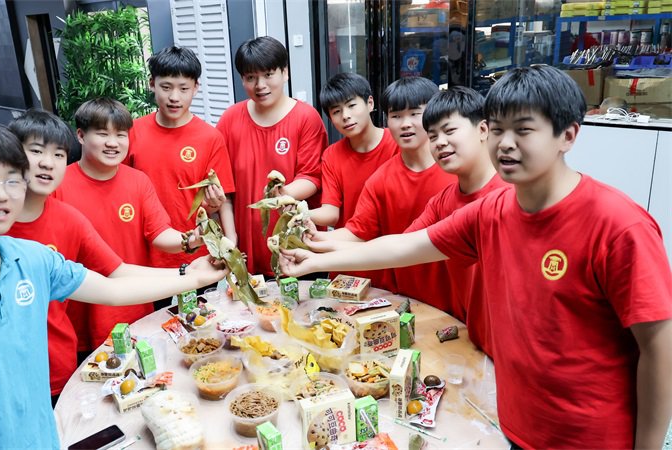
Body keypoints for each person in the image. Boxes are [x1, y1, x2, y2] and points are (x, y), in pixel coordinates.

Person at [280, 66, 672, 449]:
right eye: (498, 129)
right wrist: (312, 261)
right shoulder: (492, 211)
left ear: (567, 135)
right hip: (516, 423)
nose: (505, 143)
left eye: (523, 130)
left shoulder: (618, 225)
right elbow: (404, 246)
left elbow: (659, 348)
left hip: (590, 435)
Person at [0, 123, 226, 449]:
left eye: (13, 180)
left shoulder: (32, 259)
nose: (1, 194)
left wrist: (193, 277)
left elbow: (112, 288)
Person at [0, 109, 192, 402]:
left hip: (53, 367)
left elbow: (116, 276)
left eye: (58, 154)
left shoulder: (66, 221)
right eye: (36, 151)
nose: (47, 162)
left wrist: (191, 272)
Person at [53, 98, 200, 352]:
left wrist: (190, 240)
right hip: (81, 316)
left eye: (120, 135)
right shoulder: (58, 185)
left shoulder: (138, 181)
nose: (113, 143)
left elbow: (159, 233)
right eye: (102, 134)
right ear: (81, 135)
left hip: (135, 307)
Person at [307, 77, 454, 293]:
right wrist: (313, 239)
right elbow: (358, 231)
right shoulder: (379, 179)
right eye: (396, 116)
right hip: (401, 284)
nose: (405, 124)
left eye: (415, 114)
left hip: (454, 287)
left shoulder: (457, 168)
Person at [404, 86, 508, 356]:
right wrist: (318, 245)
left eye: (449, 131)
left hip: (513, 350)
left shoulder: (510, 197)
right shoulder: (443, 200)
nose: (439, 142)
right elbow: (401, 246)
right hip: (476, 339)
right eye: (433, 136)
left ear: (483, 129)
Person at [216, 36, 327, 276]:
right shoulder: (229, 120)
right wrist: (230, 238)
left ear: (285, 72)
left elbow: (312, 177)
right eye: (250, 77)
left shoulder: (306, 118)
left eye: (268, 74)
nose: (260, 85)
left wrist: (281, 195)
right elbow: (224, 187)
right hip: (247, 246)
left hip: (296, 245)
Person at [125, 45, 237, 270]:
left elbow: (223, 197)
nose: (174, 97)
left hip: (197, 255)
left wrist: (231, 240)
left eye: (183, 88)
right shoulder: (131, 132)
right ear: (152, 84)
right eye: (166, 87)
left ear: (196, 88)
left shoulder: (210, 137)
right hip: (144, 257)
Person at [310, 72, 397, 229]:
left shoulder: (397, 142)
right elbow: (331, 213)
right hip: (349, 240)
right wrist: (299, 213)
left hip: (394, 239)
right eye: (336, 111)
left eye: (351, 105)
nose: (345, 116)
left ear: (370, 103)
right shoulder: (331, 155)